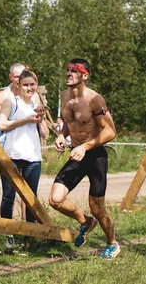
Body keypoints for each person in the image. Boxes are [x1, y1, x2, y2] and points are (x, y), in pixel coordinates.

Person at [49, 58, 120, 260]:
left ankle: (112, 243)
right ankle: (85, 222)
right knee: (55, 200)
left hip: (95, 155)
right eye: (68, 70)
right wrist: (62, 135)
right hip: (76, 154)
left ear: (85, 76)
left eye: (74, 70)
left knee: (97, 207)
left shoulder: (94, 99)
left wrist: (85, 145)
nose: (69, 73)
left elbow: (111, 132)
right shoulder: (64, 96)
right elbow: (68, 123)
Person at [0, 70, 49, 247]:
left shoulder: (36, 103)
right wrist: (26, 120)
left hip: (33, 157)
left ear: (36, 86)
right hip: (12, 155)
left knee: (30, 198)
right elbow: (2, 124)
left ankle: (29, 235)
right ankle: (8, 235)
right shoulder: (11, 101)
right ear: (19, 85)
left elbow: (45, 134)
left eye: (32, 85)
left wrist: (40, 118)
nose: (29, 88)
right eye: (25, 84)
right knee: (8, 196)